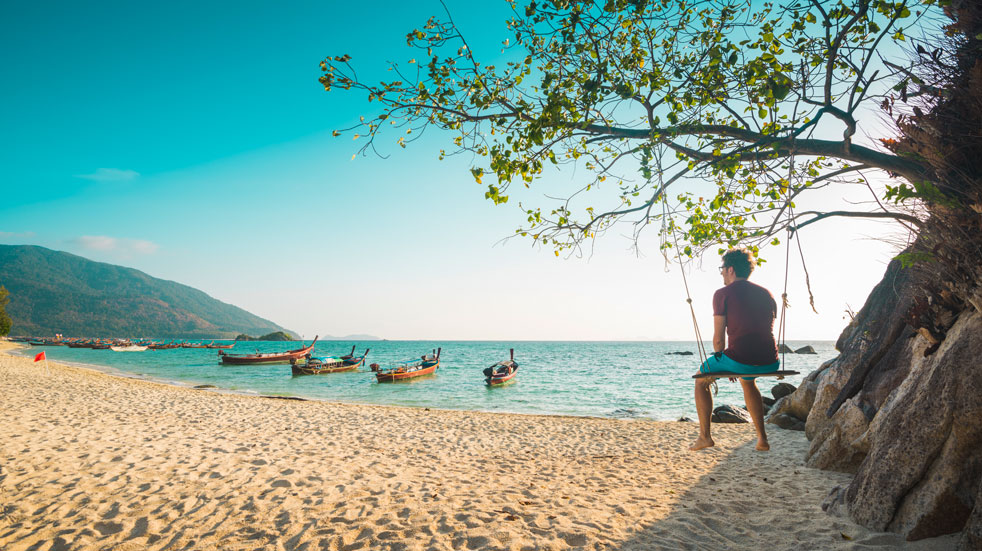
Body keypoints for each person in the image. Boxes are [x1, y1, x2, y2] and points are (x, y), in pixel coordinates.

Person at [690, 248, 780, 452]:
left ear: (730, 269)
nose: (721, 272)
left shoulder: (722, 294)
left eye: (722, 268)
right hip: (770, 359)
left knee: (700, 379)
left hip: (740, 359)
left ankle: (704, 437)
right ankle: (762, 440)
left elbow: (719, 342)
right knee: (748, 380)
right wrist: (731, 363)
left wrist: (726, 362)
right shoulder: (767, 293)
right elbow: (759, 327)